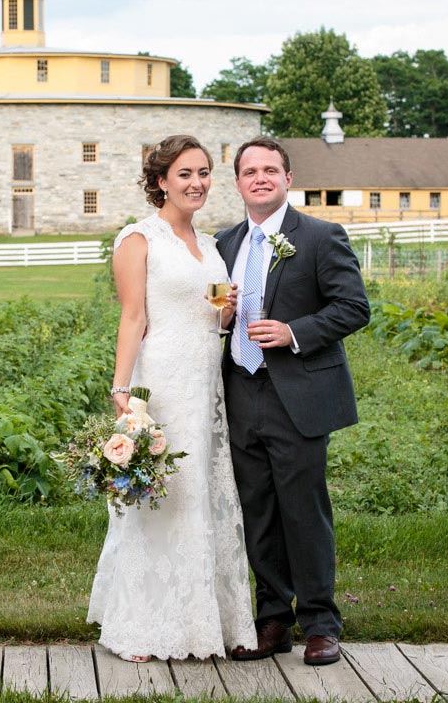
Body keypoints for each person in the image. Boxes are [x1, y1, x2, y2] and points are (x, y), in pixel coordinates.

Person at [87, 135, 256, 663]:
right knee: (163, 494)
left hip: (206, 384)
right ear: (161, 181)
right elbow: (134, 316)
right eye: (184, 174)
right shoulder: (138, 240)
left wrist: (226, 313)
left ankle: (204, 622)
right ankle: (142, 626)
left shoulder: (211, 246)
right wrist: (122, 389)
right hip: (160, 380)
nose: (197, 183)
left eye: (204, 173)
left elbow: (216, 317)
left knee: (201, 492)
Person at [216, 137, 370, 666]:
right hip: (240, 389)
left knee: (304, 510)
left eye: (270, 170)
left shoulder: (322, 236)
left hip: (298, 394)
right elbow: (211, 314)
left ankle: (322, 622)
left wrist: (294, 331)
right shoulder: (224, 243)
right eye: (249, 171)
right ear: (237, 182)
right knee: (255, 509)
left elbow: (353, 308)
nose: (260, 178)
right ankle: (273, 618)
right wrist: (221, 318)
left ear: (287, 178)